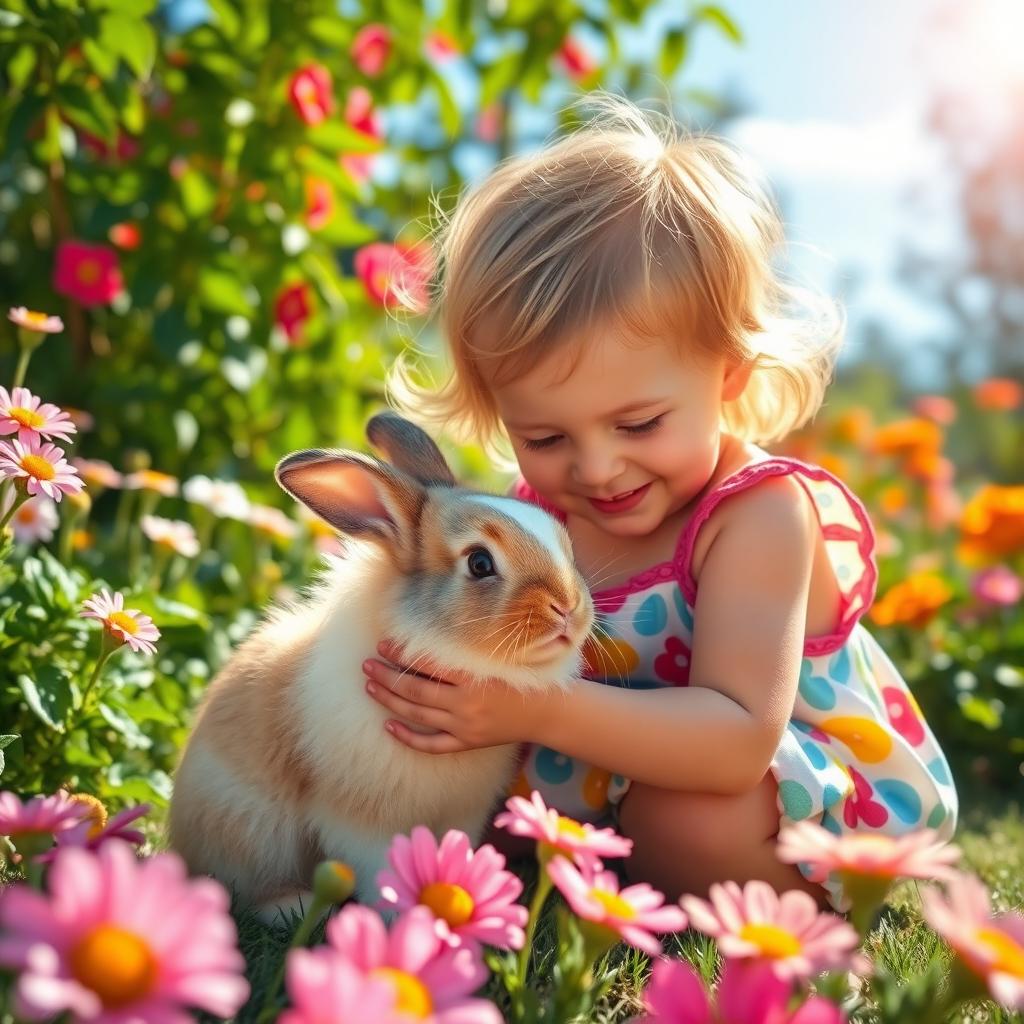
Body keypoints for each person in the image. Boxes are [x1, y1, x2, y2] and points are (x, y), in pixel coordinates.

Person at [360, 90, 959, 911]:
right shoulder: (540, 520)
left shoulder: (757, 516)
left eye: (638, 422)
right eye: (544, 438)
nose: (597, 468)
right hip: (604, 778)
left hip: (777, 800)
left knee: (687, 822)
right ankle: (583, 876)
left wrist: (533, 709)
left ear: (729, 376)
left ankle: (804, 909)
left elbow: (737, 742)